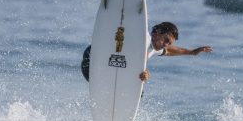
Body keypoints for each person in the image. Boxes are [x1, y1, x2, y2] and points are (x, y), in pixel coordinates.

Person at [81, 22, 212, 82]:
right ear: (156, 33)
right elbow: (137, 53)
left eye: (169, 42)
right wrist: (144, 70)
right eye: (166, 39)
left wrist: (191, 52)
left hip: (111, 66)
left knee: (139, 88)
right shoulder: (143, 37)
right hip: (92, 57)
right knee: (140, 77)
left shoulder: (156, 48)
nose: (166, 45)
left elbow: (170, 50)